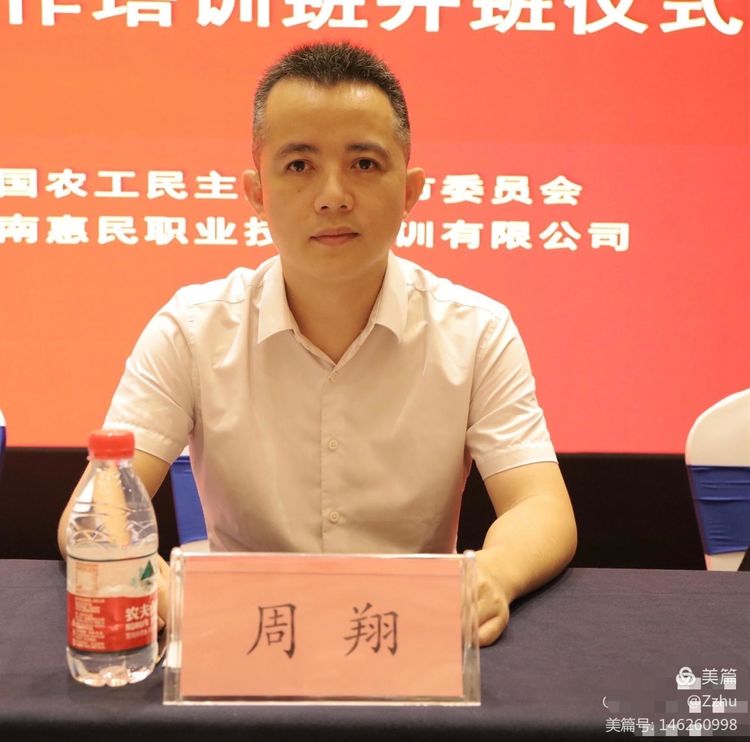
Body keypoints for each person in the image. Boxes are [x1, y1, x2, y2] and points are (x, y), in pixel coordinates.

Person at [58, 41, 577, 646]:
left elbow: (541, 507)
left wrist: (492, 575)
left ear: (410, 190)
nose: (333, 195)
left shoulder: (477, 330)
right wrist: (162, 588)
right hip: (244, 639)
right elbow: (97, 511)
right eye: (299, 166)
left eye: (365, 164)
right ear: (257, 193)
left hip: (408, 637)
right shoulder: (191, 329)